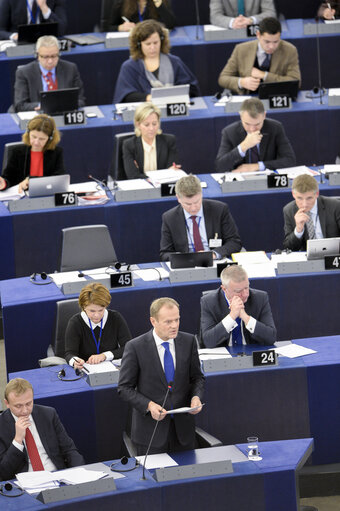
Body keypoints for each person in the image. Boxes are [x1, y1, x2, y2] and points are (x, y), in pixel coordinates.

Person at [118, 297, 204, 455]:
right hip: (151, 434)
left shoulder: (189, 341)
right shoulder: (135, 347)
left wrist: (196, 397)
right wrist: (149, 405)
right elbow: (124, 388)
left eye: (177, 320)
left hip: (183, 432)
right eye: (168, 322)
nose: (174, 326)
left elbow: (197, 378)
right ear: (153, 321)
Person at [0, 378, 84, 481]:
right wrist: (17, 441)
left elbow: (69, 450)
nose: (25, 410)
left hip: (56, 476)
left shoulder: (48, 414)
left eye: (28, 403)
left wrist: (80, 473)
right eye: (18, 406)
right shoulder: (2, 425)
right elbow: (3, 473)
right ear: (7, 403)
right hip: (25, 483)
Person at [113, 19, 200, 103]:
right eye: (148, 44)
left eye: (155, 43)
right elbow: (125, 96)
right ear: (139, 44)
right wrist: (149, 98)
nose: (152, 48)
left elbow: (191, 89)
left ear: (161, 41)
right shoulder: (129, 67)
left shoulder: (175, 62)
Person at [160, 174, 242, 261]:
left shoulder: (219, 210)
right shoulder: (169, 218)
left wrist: (213, 254)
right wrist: (184, 258)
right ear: (178, 198)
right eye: (188, 204)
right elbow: (165, 253)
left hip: (214, 260)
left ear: (201, 194)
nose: (193, 208)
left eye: (197, 202)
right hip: (187, 264)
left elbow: (234, 242)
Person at [218, 17, 301, 94]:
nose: (271, 46)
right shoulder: (241, 49)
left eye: (276, 42)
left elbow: (296, 82)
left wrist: (264, 75)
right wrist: (242, 82)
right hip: (249, 100)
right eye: (267, 42)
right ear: (258, 35)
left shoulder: (289, 50)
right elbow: (223, 78)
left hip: (276, 96)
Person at [200, 265, 276, 348]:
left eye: (246, 288)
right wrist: (232, 316)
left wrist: (245, 317)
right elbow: (208, 341)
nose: (245, 294)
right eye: (238, 291)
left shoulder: (260, 298)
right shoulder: (209, 302)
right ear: (224, 289)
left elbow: (271, 337)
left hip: (251, 353)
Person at [215, 97, 296, 172]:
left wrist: (257, 166)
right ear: (241, 116)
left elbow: (290, 160)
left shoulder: (275, 128)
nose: (252, 129)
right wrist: (243, 147)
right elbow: (220, 166)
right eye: (247, 124)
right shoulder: (229, 132)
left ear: (264, 115)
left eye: (257, 124)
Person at [65, 283, 131, 371]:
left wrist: (104, 356)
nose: (96, 315)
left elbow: (128, 347)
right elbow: (69, 353)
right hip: (85, 370)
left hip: (111, 368)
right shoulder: (75, 323)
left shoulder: (115, 318)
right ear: (84, 307)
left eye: (101, 310)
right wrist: (75, 361)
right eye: (92, 311)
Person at [12, 35, 85, 112]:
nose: (50, 61)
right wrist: (42, 105)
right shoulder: (24, 72)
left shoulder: (70, 68)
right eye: (46, 57)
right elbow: (20, 105)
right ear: (37, 55)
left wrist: (63, 105)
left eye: (54, 56)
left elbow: (80, 100)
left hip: (63, 113)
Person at [0, 114, 64, 192]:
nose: (36, 142)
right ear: (28, 133)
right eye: (33, 137)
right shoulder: (17, 152)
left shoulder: (56, 152)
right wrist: (4, 183)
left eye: (42, 139)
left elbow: (58, 178)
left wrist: (31, 180)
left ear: (50, 138)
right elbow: (9, 177)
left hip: (44, 195)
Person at [283, 174, 340, 251]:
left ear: (316, 194)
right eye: (299, 198)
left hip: (333, 256)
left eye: (309, 198)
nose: (304, 204)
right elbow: (289, 247)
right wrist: (298, 230)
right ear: (293, 194)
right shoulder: (289, 210)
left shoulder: (335, 206)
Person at [122, 102, 180, 179]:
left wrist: (143, 175)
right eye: (146, 124)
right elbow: (133, 176)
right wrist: (164, 174)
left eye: (154, 124)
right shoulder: (129, 145)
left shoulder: (169, 141)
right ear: (138, 125)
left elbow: (172, 172)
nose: (151, 128)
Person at [0, 0, 67, 40]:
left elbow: (61, 30)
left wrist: (45, 9)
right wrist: (14, 36)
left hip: (46, 42)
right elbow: (1, 30)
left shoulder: (55, 1)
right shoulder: (9, 1)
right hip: (19, 42)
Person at [108, 0, 175, 32]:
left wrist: (158, 3)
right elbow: (107, 28)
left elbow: (171, 24)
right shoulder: (121, 2)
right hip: (130, 42)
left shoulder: (159, 1)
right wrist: (120, 27)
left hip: (152, 41)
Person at [210, 0, 276, 29]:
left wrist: (251, 20)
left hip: (255, 34)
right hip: (230, 32)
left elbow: (270, 13)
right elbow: (214, 16)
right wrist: (233, 22)